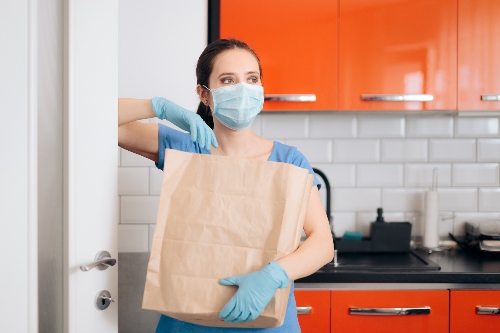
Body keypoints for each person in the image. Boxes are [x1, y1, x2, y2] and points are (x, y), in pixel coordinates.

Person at [118, 38, 334, 333]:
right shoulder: (183, 147)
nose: (243, 89)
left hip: (267, 322)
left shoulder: (289, 160)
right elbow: (90, 119)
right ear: (204, 94)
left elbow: (322, 243)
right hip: (187, 322)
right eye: (228, 80)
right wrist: (157, 107)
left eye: (252, 79)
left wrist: (274, 275)